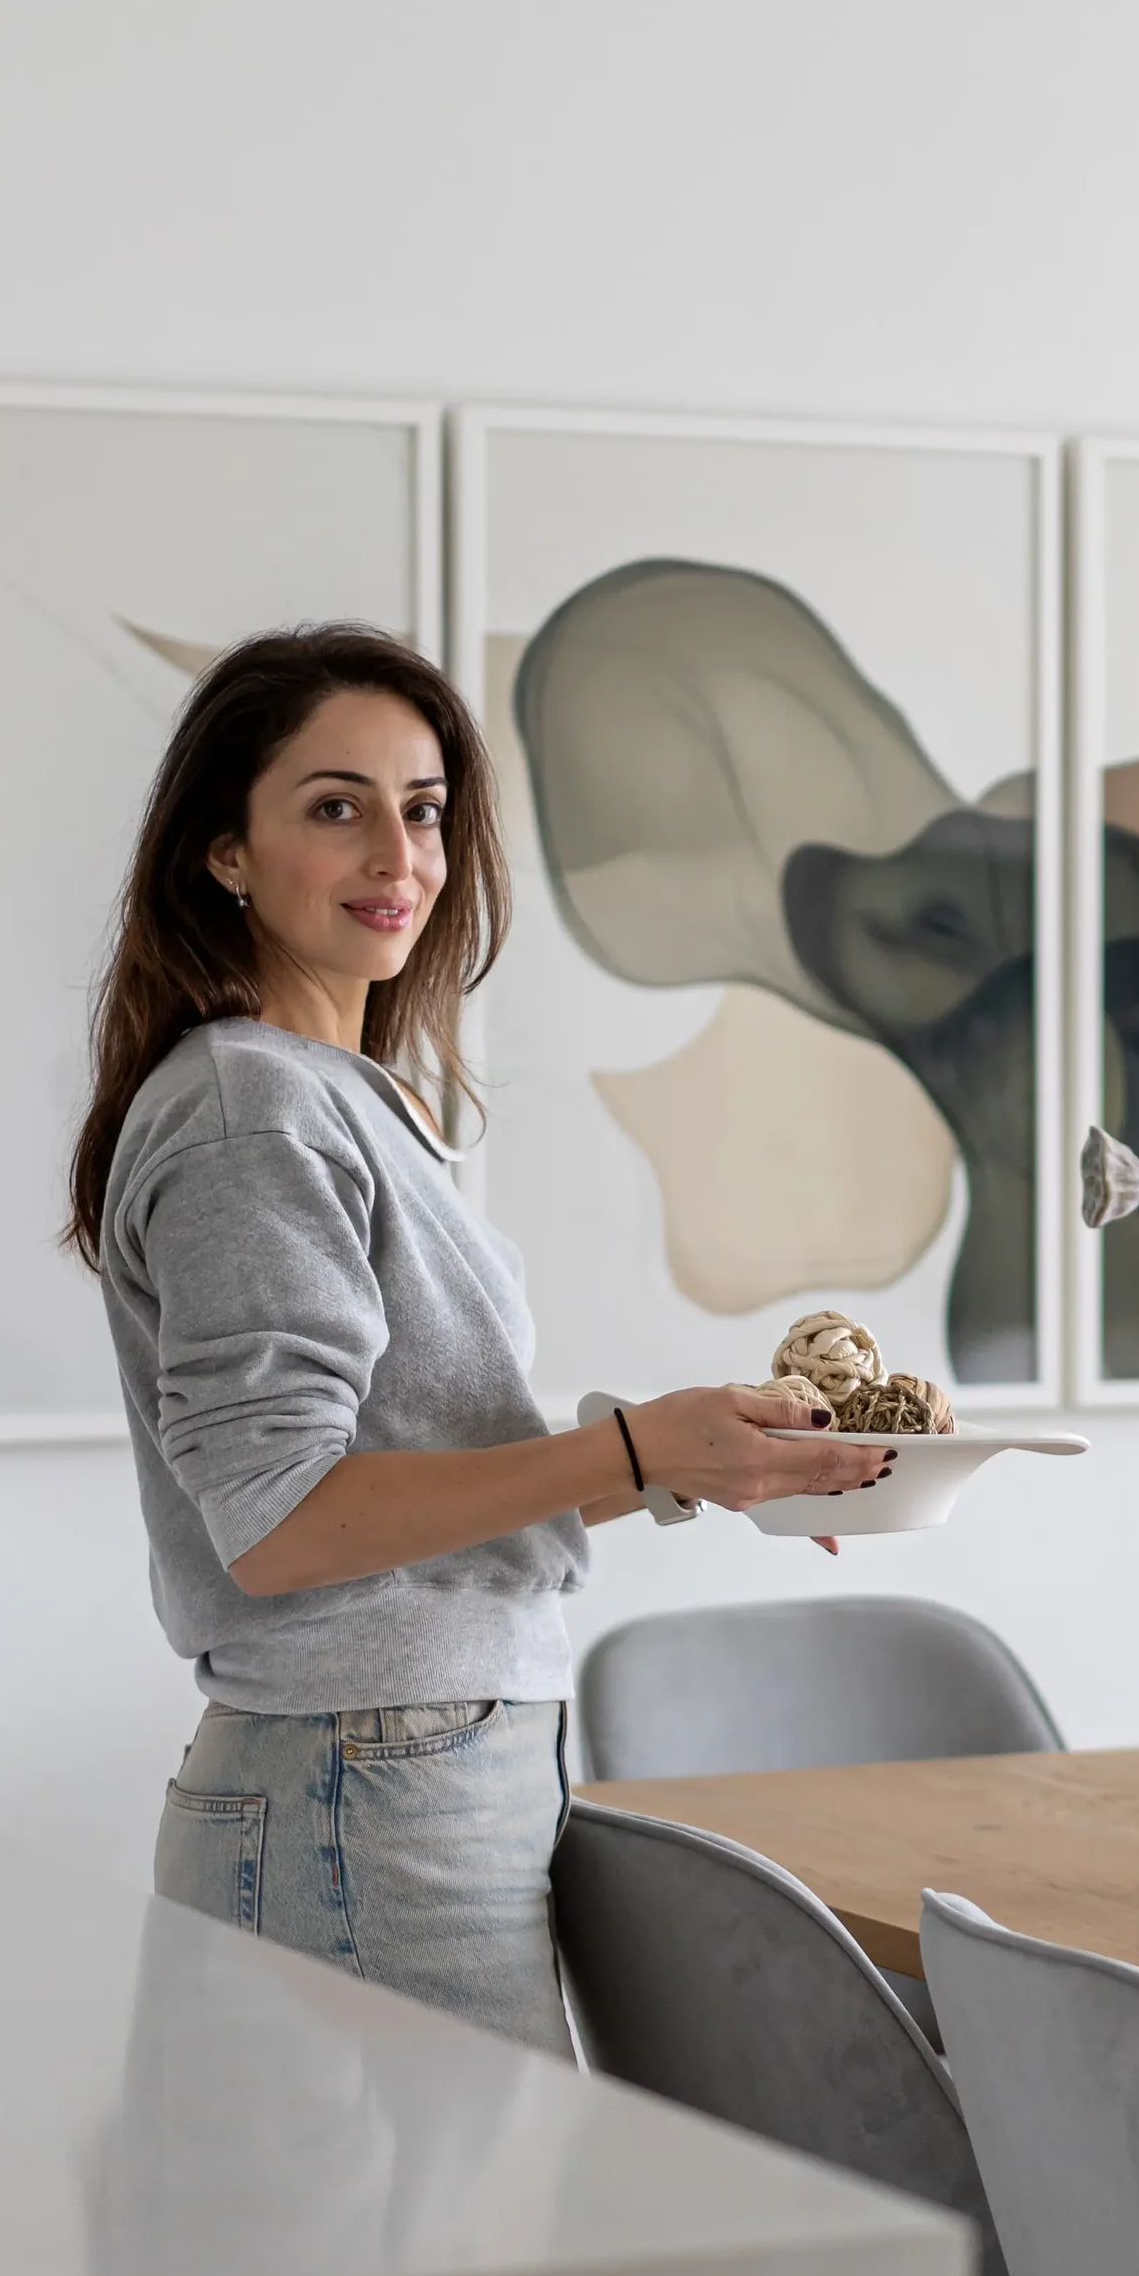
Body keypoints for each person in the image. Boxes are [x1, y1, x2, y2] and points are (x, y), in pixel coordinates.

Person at [67, 621, 883, 2054]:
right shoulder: (253, 1112)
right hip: (366, 1778)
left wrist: (696, 1460)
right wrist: (633, 1449)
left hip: (407, 1767)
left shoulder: (341, 1096)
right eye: (338, 807)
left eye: (425, 809)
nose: (400, 855)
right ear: (226, 851)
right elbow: (281, 1522)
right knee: (458, 2207)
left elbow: (410, 1487)